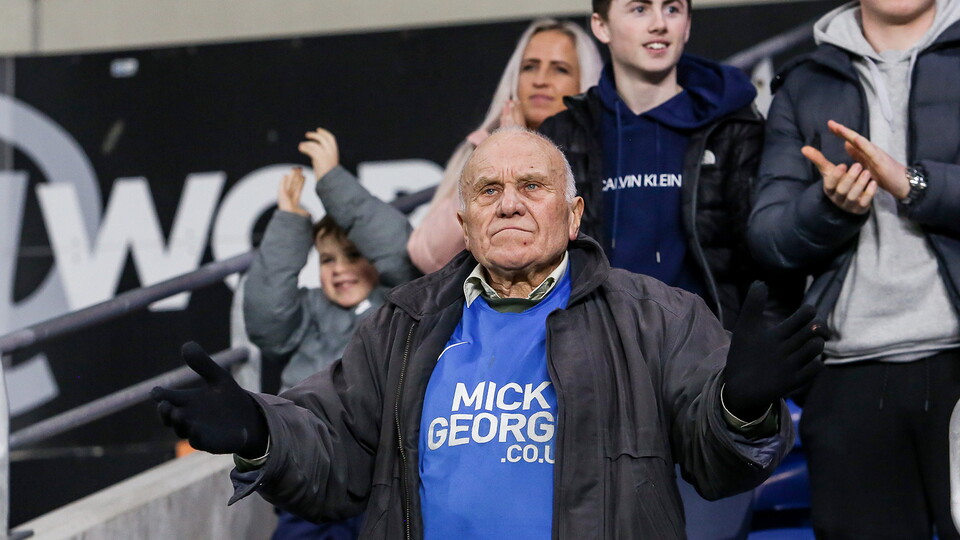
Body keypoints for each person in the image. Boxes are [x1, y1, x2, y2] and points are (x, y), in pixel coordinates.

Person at [152, 128, 827, 539]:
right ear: (465, 224)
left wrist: (740, 406)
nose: (509, 203)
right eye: (488, 191)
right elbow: (335, 453)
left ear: (573, 214)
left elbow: (718, 464)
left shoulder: (656, 316)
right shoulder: (402, 324)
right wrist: (262, 430)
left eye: (532, 186)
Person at [538, 0, 788, 536]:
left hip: (707, 383)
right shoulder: (563, 134)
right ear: (601, 26)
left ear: (688, 22)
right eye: (638, 8)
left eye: (672, 8)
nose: (658, 23)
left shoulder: (737, 128)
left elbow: (768, 260)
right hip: (595, 384)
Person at [747, 0, 960, 537]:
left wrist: (912, 184)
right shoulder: (804, 81)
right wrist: (830, 208)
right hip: (849, 376)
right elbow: (769, 238)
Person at [242, 128, 418, 539]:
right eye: (327, 260)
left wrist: (332, 181)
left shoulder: (399, 302)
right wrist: (289, 223)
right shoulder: (306, 310)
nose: (339, 269)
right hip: (310, 476)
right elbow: (266, 319)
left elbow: (398, 249)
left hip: (382, 482)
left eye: (353, 255)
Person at [407, 18, 602, 273]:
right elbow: (429, 256)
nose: (540, 80)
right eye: (529, 67)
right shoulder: (480, 146)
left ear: (584, 82)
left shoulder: (604, 154)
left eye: (560, 69)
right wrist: (505, 145)